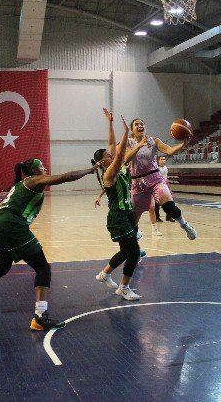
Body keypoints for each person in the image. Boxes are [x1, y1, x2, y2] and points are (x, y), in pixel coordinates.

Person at [0, 158, 98, 331]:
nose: (45, 169)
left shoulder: (21, 184)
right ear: (35, 172)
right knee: (43, 268)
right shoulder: (35, 180)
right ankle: (40, 317)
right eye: (42, 167)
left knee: (3, 265)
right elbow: (65, 177)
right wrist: (90, 170)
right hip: (11, 224)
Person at [92, 109, 144, 301]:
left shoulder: (116, 166)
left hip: (125, 215)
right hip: (118, 217)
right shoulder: (109, 174)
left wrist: (110, 123)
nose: (111, 154)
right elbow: (120, 150)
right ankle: (123, 288)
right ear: (102, 162)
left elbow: (112, 145)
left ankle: (104, 274)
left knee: (125, 251)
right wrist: (126, 133)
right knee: (134, 253)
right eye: (108, 155)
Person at [125, 118, 197, 240]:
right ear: (132, 129)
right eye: (136, 124)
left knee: (169, 206)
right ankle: (135, 237)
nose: (140, 125)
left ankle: (185, 225)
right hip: (137, 182)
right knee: (133, 219)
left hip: (155, 178)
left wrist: (182, 145)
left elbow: (169, 150)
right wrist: (138, 146)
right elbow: (126, 159)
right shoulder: (128, 143)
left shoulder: (154, 141)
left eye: (142, 123)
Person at [154, 156, 174, 222]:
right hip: (158, 187)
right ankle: (157, 217)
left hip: (165, 186)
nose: (163, 160)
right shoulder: (156, 168)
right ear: (158, 160)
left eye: (164, 159)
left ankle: (168, 217)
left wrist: (169, 187)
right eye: (161, 159)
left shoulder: (166, 168)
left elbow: (166, 178)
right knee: (157, 203)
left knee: (169, 201)